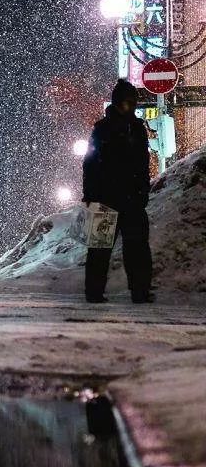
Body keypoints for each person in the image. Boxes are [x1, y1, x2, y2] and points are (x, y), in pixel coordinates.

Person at [82, 77, 153, 304]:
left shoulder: (136, 128)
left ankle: (139, 291)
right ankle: (95, 292)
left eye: (133, 101)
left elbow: (143, 163)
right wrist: (91, 194)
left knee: (136, 248)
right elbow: (91, 163)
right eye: (128, 101)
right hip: (107, 197)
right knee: (102, 248)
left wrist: (143, 190)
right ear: (118, 102)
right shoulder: (105, 129)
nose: (131, 105)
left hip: (128, 196)